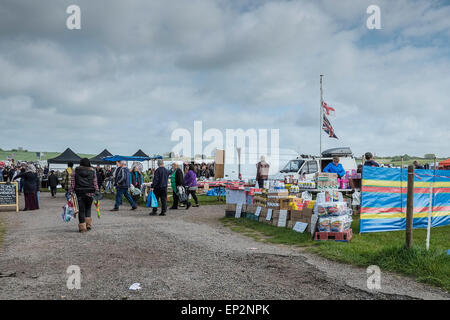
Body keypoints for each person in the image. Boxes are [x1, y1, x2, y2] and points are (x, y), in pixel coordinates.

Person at [69, 158, 99, 233]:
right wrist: (97, 191)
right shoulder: (93, 172)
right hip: (90, 193)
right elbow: (95, 183)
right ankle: (88, 224)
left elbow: (72, 184)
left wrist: (71, 192)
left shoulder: (75, 172)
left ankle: (82, 228)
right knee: (88, 208)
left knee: (81, 210)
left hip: (79, 193)